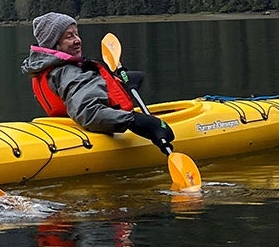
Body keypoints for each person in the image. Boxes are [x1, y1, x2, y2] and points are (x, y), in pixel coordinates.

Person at [20, 12, 174, 147]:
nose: (77, 40)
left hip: (68, 130)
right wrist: (136, 121)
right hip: (92, 133)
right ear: (54, 44)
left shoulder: (45, 69)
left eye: (76, 34)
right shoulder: (70, 73)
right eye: (69, 36)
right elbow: (90, 113)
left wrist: (119, 84)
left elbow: (77, 97)